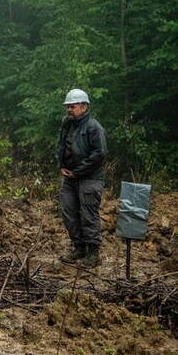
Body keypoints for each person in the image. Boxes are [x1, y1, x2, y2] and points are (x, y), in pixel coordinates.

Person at [56, 88, 108, 268]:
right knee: (69, 213)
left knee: (88, 216)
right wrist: (61, 165)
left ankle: (93, 253)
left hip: (90, 178)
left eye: (73, 106)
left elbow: (99, 154)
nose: (69, 109)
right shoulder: (66, 123)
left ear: (84, 106)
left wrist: (78, 171)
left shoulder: (94, 127)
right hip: (69, 177)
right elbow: (61, 145)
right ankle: (79, 248)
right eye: (68, 106)